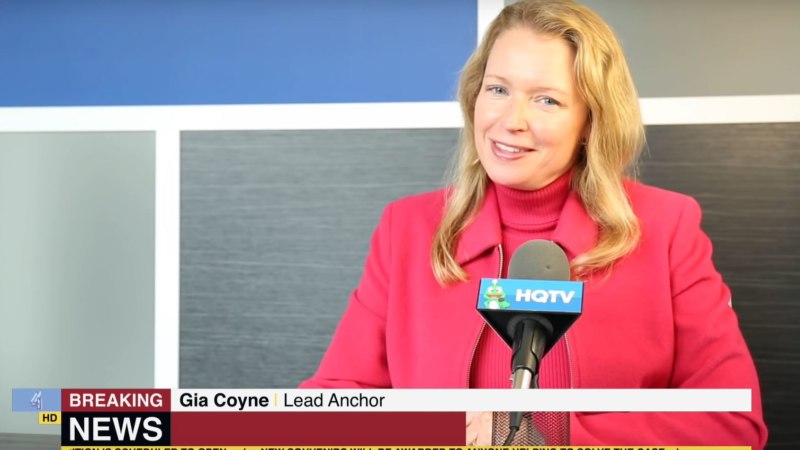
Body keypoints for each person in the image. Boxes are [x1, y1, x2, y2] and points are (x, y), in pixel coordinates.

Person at [299, 0, 768, 447]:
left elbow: (732, 421)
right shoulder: (407, 229)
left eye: (546, 100)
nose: (512, 120)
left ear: (590, 122)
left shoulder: (666, 227)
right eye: (498, 90)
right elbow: (329, 405)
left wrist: (546, 435)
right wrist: (438, 431)